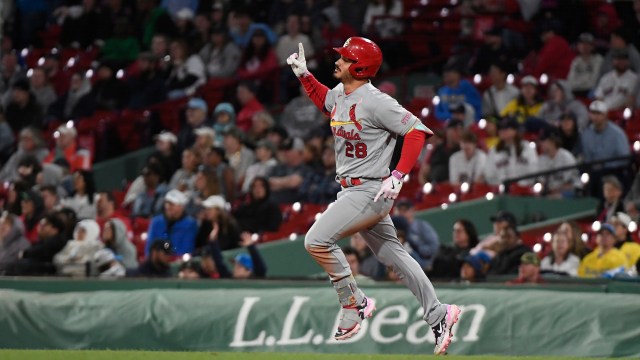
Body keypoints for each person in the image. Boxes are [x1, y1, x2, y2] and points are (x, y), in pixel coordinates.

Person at [286, 38, 460, 354]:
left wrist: (398, 175)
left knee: (316, 241)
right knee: (393, 254)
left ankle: (355, 302)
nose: (337, 60)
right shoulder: (341, 93)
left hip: (371, 188)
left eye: (345, 58)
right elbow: (328, 103)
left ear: (361, 67)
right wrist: (305, 77)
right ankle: (439, 314)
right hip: (352, 189)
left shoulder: (377, 101)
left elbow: (416, 131)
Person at [481, 117, 538, 186]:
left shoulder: (527, 148)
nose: (502, 131)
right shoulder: (494, 150)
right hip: (502, 192)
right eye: (500, 129)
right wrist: (501, 185)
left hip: (525, 190)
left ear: (515, 130)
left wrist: (522, 185)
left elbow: (534, 170)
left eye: (506, 129)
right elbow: (489, 173)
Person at [145, 190, 198, 257]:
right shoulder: (156, 222)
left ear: (181, 206)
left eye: (172, 204)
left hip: (177, 263)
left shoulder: (190, 224)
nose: (168, 207)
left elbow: (186, 249)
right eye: (166, 203)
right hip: (156, 263)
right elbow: (149, 247)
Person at [393, 200, 441, 271]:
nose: (402, 213)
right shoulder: (393, 227)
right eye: (399, 210)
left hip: (421, 265)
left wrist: (417, 247)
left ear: (412, 211)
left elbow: (434, 247)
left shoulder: (421, 226)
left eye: (405, 210)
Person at [537, 129, 580, 198]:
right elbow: (542, 182)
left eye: (544, 141)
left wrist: (553, 192)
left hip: (569, 192)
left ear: (552, 141)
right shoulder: (542, 159)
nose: (541, 143)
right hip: (551, 191)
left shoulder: (566, 157)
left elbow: (570, 184)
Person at [420, 118, 462, 184]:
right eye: (455, 130)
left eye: (461, 130)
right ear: (447, 131)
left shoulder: (463, 150)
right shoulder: (436, 148)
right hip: (434, 188)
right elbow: (423, 173)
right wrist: (425, 186)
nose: (459, 133)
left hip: (454, 188)